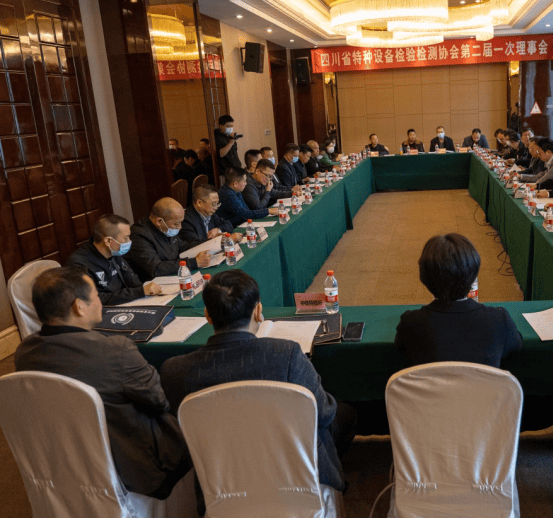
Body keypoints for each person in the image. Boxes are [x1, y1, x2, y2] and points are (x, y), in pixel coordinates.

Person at [160, 270, 355, 510]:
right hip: (294, 483)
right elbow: (324, 413)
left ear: (207, 315)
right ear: (258, 311)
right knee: (343, 414)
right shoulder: (288, 355)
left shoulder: (174, 371)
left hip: (222, 489)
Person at [16, 267, 191, 497]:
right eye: (97, 296)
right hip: (133, 472)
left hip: (62, 465)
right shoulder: (115, 351)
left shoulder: (23, 353)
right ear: (79, 307)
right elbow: (160, 401)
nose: (100, 302)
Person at [395, 234, 522, 367]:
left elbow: (401, 352)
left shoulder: (410, 323)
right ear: (474, 275)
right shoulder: (499, 320)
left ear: (424, 278)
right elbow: (515, 347)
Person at [66, 214, 162, 305]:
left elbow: (132, 281)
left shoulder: (114, 252)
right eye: (126, 238)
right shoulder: (78, 263)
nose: (129, 241)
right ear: (108, 241)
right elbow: (96, 299)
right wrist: (139, 292)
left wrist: (147, 289)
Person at [128, 197, 211, 281]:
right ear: (159, 221)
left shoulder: (165, 228)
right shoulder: (139, 236)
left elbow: (182, 247)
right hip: (153, 283)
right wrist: (194, 262)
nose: (180, 227)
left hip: (172, 276)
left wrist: (210, 242)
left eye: (181, 222)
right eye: (176, 224)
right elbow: (156, 269)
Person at [179, 184, 240, 248]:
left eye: (217, 203)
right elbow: (195, 245)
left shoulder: (209, 213)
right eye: (213, 204)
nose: (216, 208)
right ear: (199, 203)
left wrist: (218, 229)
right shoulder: (186, 220)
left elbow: (228, 224)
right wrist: (224, 241)